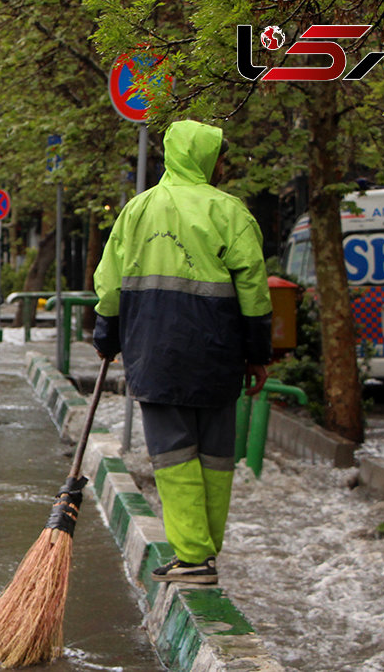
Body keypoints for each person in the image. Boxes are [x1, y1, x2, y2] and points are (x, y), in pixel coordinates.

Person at [92, 119, 272, 585]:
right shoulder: (230, 212)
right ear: (207, 158)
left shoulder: (137, 211)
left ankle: (193, 556)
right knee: (216, 456)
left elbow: (109, 282)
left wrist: (105, 335)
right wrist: (258, 353)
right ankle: (205, 550)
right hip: (218, 353)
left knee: (173, 454)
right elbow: (253, 289)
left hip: (155, 351)